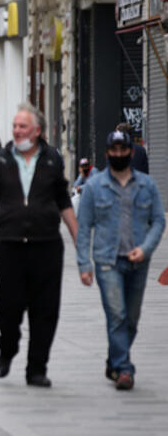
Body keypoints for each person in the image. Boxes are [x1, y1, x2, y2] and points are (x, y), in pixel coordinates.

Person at [0, 103, 78, 388]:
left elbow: (63, 201)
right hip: (9, 246)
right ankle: (7, 350)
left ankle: (37, 368)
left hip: (46, 246)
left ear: (37, 131)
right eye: (15, 126)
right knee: (9, 308)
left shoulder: (52, 160)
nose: (17, 130)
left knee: (45, 310)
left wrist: (78, 238)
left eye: (23, 126)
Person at [77, 130, 166, 391]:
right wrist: (84, 265)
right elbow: (84, 227)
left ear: (131, 152)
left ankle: (114, 359)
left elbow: (159, 220)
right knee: (117, 315)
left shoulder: (147, 185)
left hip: (138, 261)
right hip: (107, 261)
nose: (118, 155)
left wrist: (147, 249)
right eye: (113, 151)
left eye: (122, 150)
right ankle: (124, 369)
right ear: (106, 154)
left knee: (132, 319)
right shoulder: (94, 186)